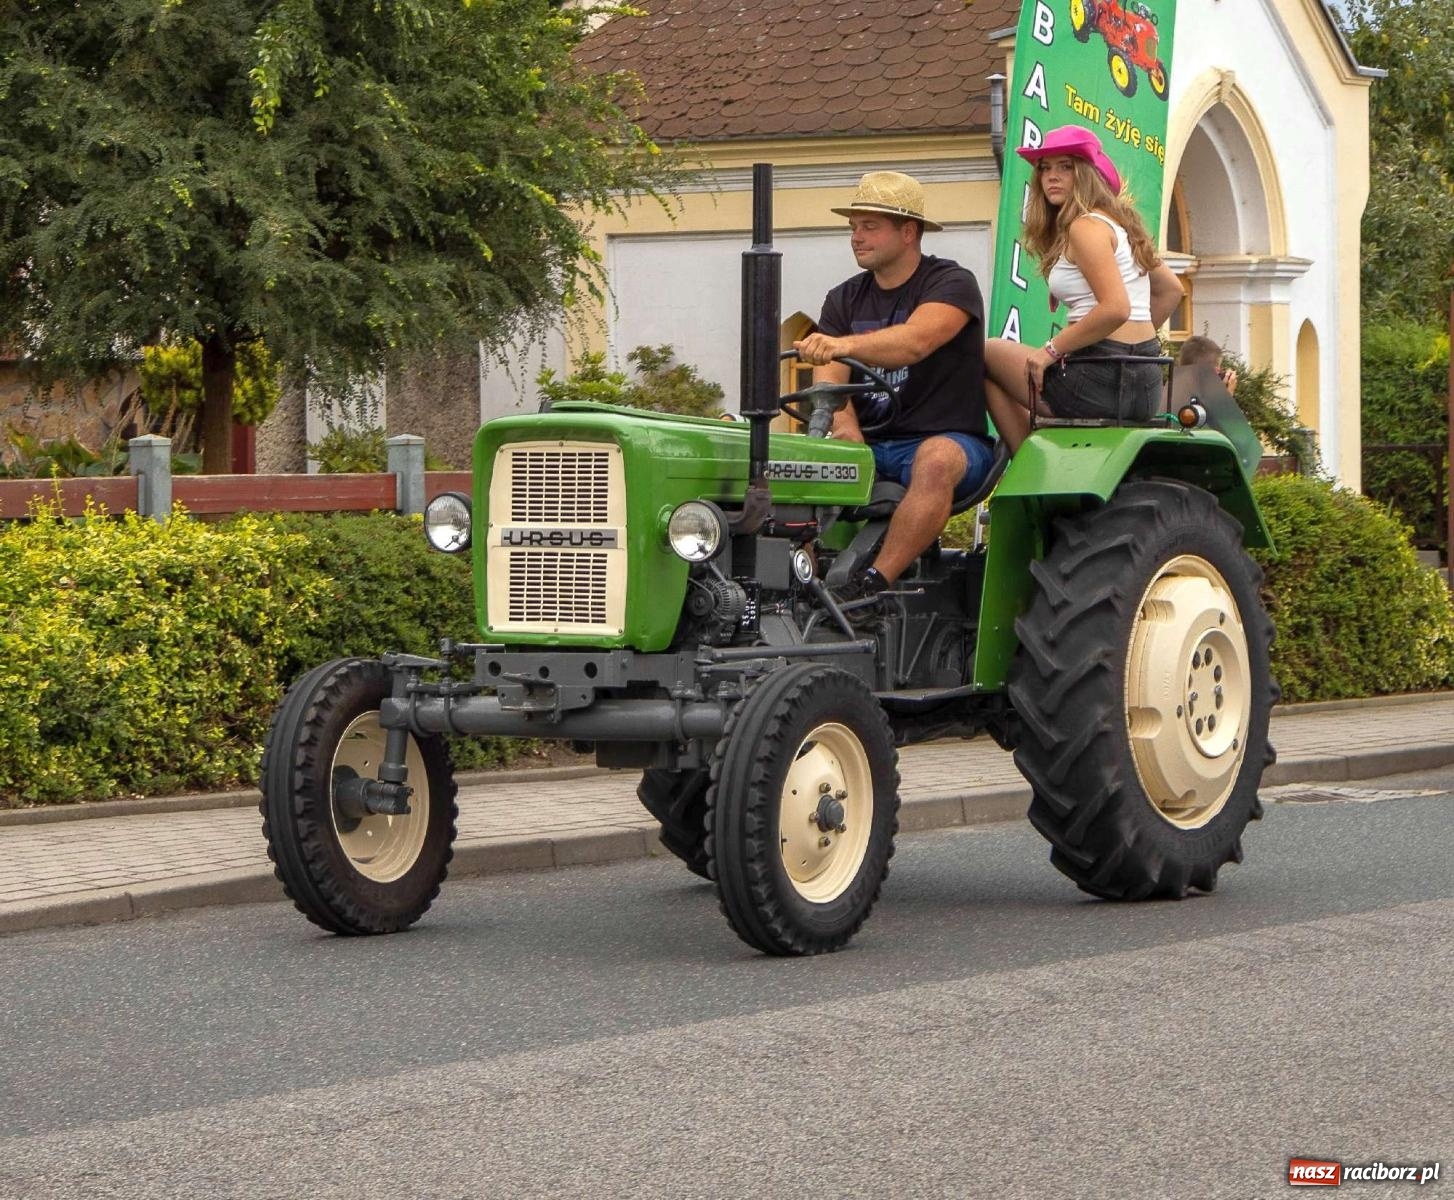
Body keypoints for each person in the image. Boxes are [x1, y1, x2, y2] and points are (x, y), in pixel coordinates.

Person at [793, 171, 995, 604]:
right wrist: (846, 431)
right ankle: (798, 582)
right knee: (788, 462)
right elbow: (829, 390)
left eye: (869, 226)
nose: (856, 237)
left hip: (950, 441)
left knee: (936, 459)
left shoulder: (951, 283)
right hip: (872, 445)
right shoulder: (843, 298)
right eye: (853, 227)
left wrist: (842, 345)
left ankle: (869, 586)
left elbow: (915, 342)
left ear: (908, 232)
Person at [983, 125, 1185, 453]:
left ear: (1087, 174)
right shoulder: (1123, 227)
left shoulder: (1085, 226)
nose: (1051, 176)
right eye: (1044, 168)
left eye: (1065, 167)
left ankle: (1027, 464)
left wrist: (1051, 350)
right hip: (1146, 381)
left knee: (986, 354)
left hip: (1099, 378)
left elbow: (1115, 307)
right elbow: (1171, 290)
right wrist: (1135, 346)